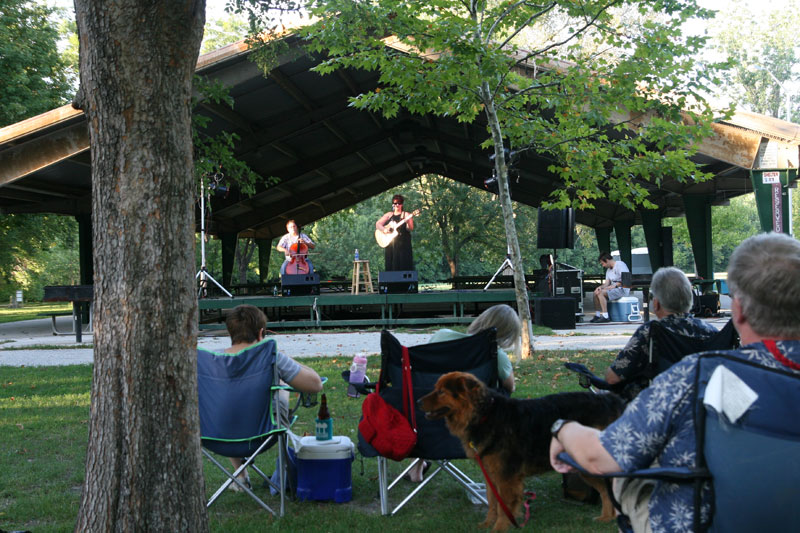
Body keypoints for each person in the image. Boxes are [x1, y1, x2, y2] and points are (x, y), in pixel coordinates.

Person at [550, 233, 800, 533]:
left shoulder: (696, 376)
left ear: (739, 310)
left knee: (627, 475)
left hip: (703, 517)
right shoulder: (712, 351)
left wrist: (563, 429)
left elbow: (598, 457)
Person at [406, 304, 520, 482]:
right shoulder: (496, 355)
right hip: (471, 429)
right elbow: (510, 387)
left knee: (435, 394)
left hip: (425, 424)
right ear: (507, 334)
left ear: (482, 319)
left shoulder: (441, 336)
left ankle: (416, 467)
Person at [218, 304, 323, 491]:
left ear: (230, 333)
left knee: (227, 403)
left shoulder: (214, 363)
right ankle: (285, 469)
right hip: (265, 433)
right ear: (261, 333)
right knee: (279, 385)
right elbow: (315, 384)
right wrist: (281, 359)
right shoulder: (271, 357)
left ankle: (240, 476)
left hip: (221, 437)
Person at [604, 266, 718, 399]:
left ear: (656, 304)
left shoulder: (650, 331)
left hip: (654, 408)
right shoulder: (711, 333)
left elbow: (613, 378)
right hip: (701, 409)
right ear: (690, 301)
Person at [376, 194, 415, 271]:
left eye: (399, 203)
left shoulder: (406, 215)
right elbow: (378, 224)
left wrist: (408, 222)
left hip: (403, 245)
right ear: (393, 204)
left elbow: (410, 228)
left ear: (402, 204)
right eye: (395, 203)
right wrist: (385, 230)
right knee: (391, 264)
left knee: (404, 265)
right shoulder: (389, 215)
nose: (397, 205)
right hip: (391, 245)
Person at [592, 251, 630, 323]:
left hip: (622, 289)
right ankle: (597, 315)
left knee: (601, 293)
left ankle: (605, 316)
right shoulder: (608, 270)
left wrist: (614, 286)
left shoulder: (620, 265)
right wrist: (600, 287)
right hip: (613, 289)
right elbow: (606, 283)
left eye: (603, 263)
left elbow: (626, 280)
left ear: (607, 261)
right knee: (596, 292)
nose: (603, 266)